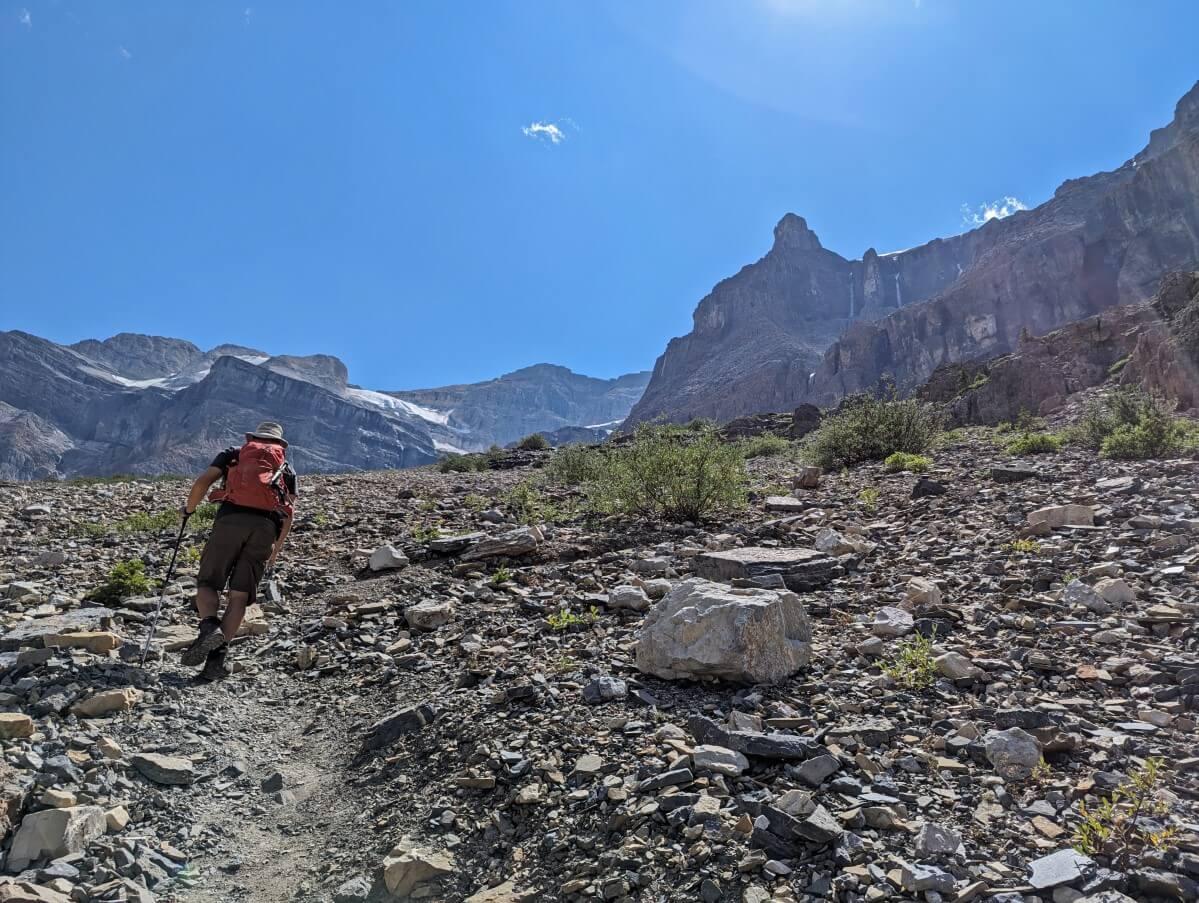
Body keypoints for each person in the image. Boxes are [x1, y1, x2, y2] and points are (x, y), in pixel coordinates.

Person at [178, 421, 297, 680]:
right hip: (266, 528)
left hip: (230, 520)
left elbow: (204, 482)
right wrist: (276, 549)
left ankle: (209, 627)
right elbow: (288, 514)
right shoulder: (285, 468)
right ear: (279, 445)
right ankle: (215, 664)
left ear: (251, 437)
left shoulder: (234, 453)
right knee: (239, 597)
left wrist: (189, 509)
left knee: (208, 583)